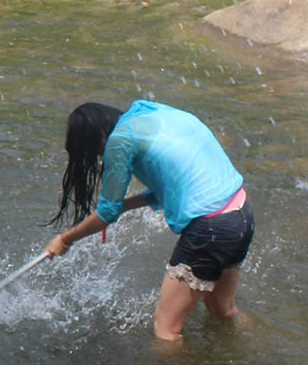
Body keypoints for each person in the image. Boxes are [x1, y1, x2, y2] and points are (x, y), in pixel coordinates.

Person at [42, 100, 253, 342]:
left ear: (98, 138)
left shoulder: (119, 140)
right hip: (240, 215)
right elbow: (171, 187)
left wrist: (64, 239)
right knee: (223, 312)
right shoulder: (155, 113)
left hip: (211, 229)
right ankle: (249, 351)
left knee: (166, 331)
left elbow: (105, 215)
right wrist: (124, 206)